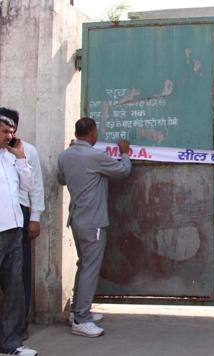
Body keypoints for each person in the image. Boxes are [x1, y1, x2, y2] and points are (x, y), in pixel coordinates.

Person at [57, 118, 132, 338]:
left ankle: (77, 311)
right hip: (93, 223)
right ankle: (81, 319)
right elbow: (122, 171)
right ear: (92, 133)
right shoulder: (95, 155)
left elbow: (61, 179)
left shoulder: (65, 155)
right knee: (90, 268)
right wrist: (125, 152)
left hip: (77, 219)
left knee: (83, 265)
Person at [0, 107, 45, 340]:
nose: (9, 135)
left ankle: (18, 328)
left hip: (18, 217)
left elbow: (32, 186)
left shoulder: (24, 151)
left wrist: (34, 218)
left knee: (17, 279)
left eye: (12, 130)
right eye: (4, 130)